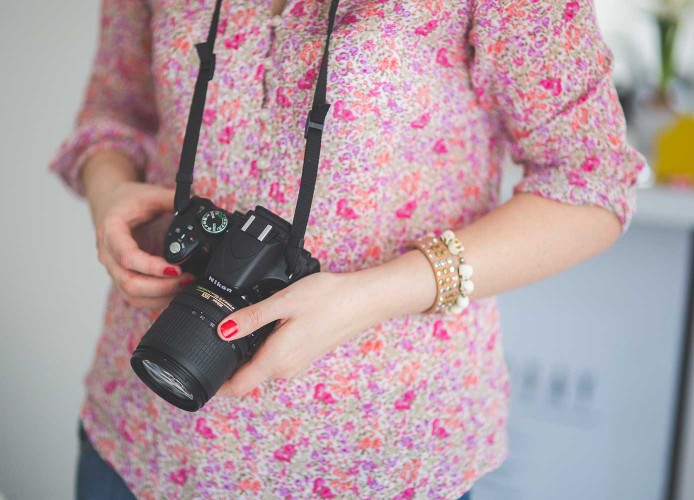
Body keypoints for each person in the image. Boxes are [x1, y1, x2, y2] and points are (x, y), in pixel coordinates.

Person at [50, 0, 644, 498]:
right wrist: (111, 198)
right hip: (145, 425)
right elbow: (116, 108)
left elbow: (591, 184)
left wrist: (367, 297)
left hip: (378, 458)